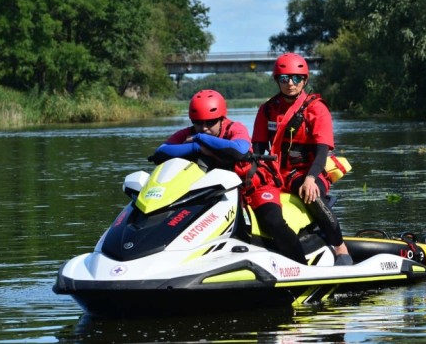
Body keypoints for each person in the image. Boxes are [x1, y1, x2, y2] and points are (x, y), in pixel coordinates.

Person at [149, 89, 307, 264]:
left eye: (210, 122)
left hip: (254, 188)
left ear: (221, 118)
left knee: (274, 222)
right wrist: (197, 148)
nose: (204, 128)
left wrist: (200, 138)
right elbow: (161, 152)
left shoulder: (234, 128)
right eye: (198, 123)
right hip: (217, 192)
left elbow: (240, 149)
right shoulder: (189, 134)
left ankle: (303, 266)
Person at [252, 53, 353, 266]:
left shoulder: (316, 108)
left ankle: (340, 247)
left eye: (296, 78)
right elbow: (258, 149)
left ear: (305, 80)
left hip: (308, 171)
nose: (290, 83)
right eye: (284, 78)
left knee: (311, 195)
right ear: (277, 81)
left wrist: (310, 179)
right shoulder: (267, 110)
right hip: (276, 173)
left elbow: (322, 150)